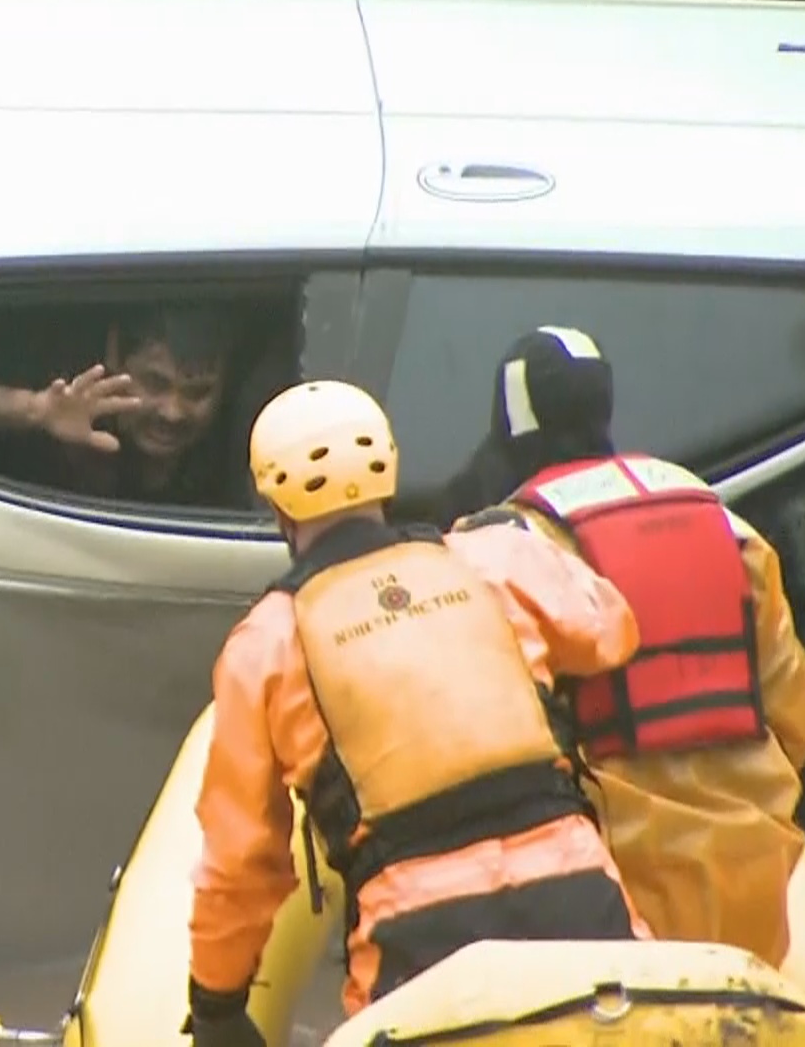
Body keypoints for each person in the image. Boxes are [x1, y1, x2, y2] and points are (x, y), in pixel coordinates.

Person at [183, 380, 650, 1047]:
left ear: (278, 506)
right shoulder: (490, 558)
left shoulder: (268, 640)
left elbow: (242, 859)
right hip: (578, 893)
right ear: (388, 473)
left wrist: (218, 1003)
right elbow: (611, 631)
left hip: (416, 939)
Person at [449, 324, 805, 969]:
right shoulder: (722, 520)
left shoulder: (511, 546)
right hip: (756, 880)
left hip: (618, 895)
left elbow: (497, 751)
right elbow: (792, 713)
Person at [0, 302, 241, 507]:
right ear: (115, 354)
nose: (173, 412)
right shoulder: (64, 388)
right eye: (155, 383)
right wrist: (34, 410)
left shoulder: (247, 433)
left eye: (198, 392)